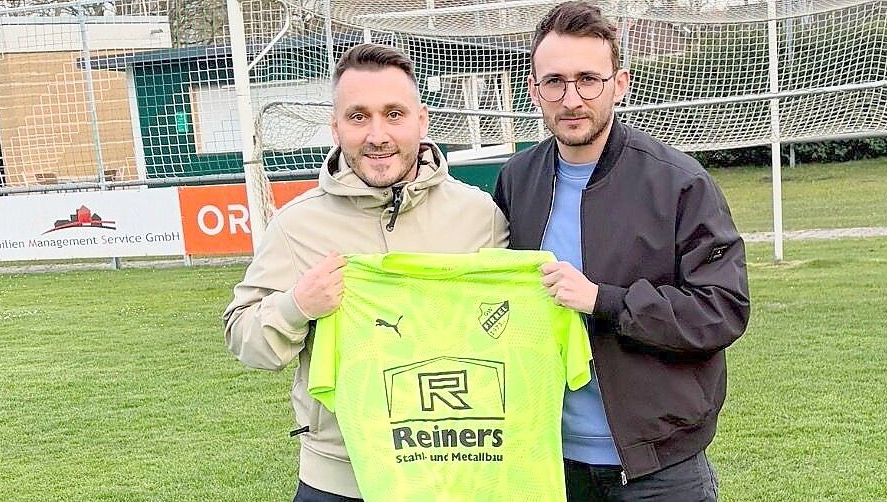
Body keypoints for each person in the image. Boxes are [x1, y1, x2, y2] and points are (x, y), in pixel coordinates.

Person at [224, 43, 508, 502]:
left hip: (456, 473)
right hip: (338, 478)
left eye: (393, 114)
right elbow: (244, 339)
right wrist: (297, 306)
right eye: (359, 117)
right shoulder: (297, 225)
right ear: (335, 127)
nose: (377, 134)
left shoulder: (480, 216)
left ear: (422, 120)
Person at [493, 2, 751, 500]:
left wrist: (604, 301)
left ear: (620, 84)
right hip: (550, 459)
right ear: (533, 89)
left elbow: (722, 310)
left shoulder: (678, 182)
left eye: (589, 79)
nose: (572, 99)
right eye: (555, 82)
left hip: (659, 466)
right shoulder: (517, 179)